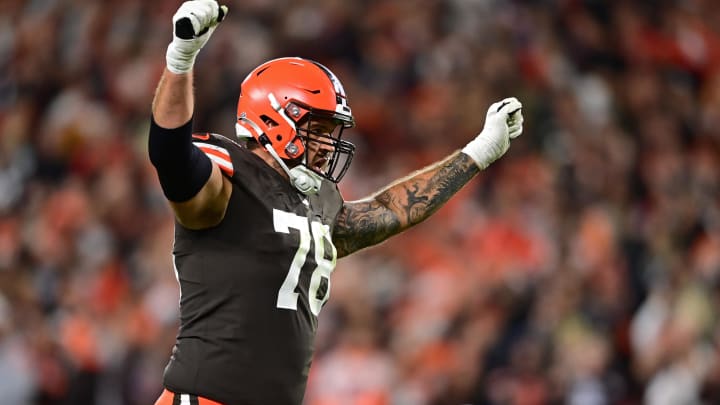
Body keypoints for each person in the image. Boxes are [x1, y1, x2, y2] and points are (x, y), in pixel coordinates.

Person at [148, 1, 524, 404]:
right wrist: (182, 57)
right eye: (319, 129)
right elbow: (171, 155)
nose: (329, 145)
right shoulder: (228, 179)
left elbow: (391, 210)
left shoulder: (316, 202)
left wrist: (476, 154)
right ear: (275, 119)